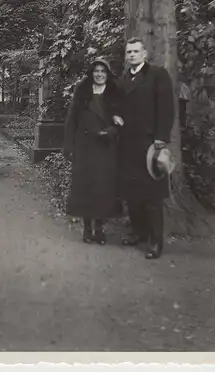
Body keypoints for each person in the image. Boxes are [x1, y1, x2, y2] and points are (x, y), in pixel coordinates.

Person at [113, 38, 174, 259]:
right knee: (132, 193)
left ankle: (156, 241)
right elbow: (118, 106)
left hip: (150, 144)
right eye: (129, 52)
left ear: (144, 53)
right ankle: (138, 232)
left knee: (153, 195)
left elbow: (166, 108)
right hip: (128, 145)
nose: (131, 55)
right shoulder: (123, 79)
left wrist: (161, 138)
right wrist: (116, 115)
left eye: (136, 51)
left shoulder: (157, 74)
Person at [64, 58, 124, 245]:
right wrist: (69, 146)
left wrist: (112, 131)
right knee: (85, 187)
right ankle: (87, 228)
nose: (99, 74)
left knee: (103, 188)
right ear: (92, 74)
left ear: (107, 74)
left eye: (103, 71)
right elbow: (71, 121)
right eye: (96, 71)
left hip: (105, 147)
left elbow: (122, 121)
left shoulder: (115, 93)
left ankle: (100, 229)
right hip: (84, 146)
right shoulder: (82, 92)